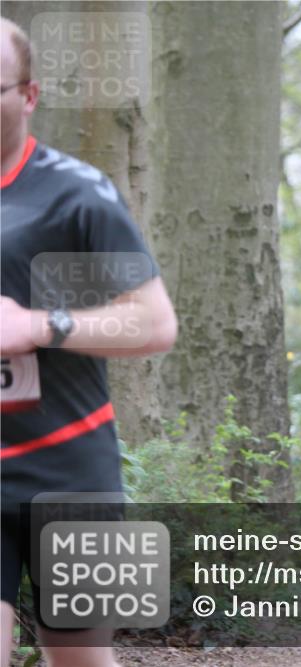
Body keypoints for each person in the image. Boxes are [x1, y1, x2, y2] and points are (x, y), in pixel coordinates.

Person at [1, 18, 178, 667]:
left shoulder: (75, 196)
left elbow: (155, 323)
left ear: (29, 94)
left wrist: (44, 325)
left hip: (71, 467)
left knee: (77, 657)